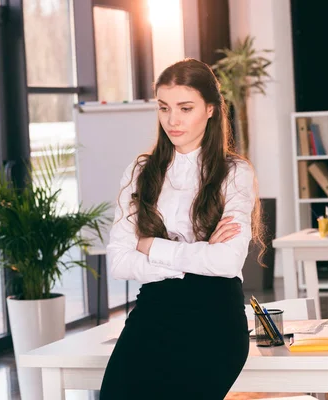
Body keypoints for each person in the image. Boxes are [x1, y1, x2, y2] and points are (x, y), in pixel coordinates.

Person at [99, 58, 265, 399]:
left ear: (211, 109)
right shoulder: (140, 171)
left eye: (185, 108)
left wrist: (150, 245)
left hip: (214, 322)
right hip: (152, 315)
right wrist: (197, 256)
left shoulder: (235, 173)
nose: (172, 120)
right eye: (164, 108)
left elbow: (227, 263)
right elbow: (118, 262)